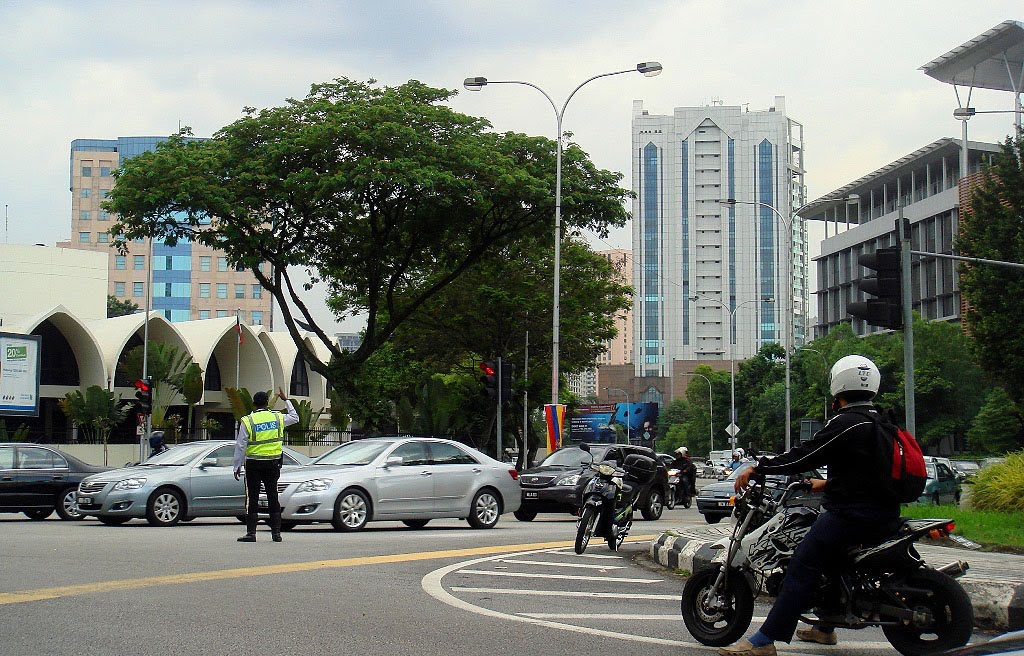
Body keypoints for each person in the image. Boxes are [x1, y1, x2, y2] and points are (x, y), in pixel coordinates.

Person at [718, 355, 901, 656]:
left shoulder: (847, 423)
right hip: (885, 513)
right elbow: (869, 474)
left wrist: (759, 468)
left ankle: (763, 641)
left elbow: (804, 456)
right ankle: (824, 628)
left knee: (802, 564)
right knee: (832, 562)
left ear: (838, 385)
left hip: (851, 515)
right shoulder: (884, 422)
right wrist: (826, 484)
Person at [233, 388, 299, 543]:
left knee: (253, 498)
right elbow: (295, 418)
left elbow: (241, 445)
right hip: (273, 464)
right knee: (272, 496)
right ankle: (276, 533)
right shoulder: (277, 418)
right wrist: (286, 400)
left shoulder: (248, 421)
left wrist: (236, 466)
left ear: (254, 404)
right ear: (267, 403)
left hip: (254, 465)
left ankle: (251, 533)